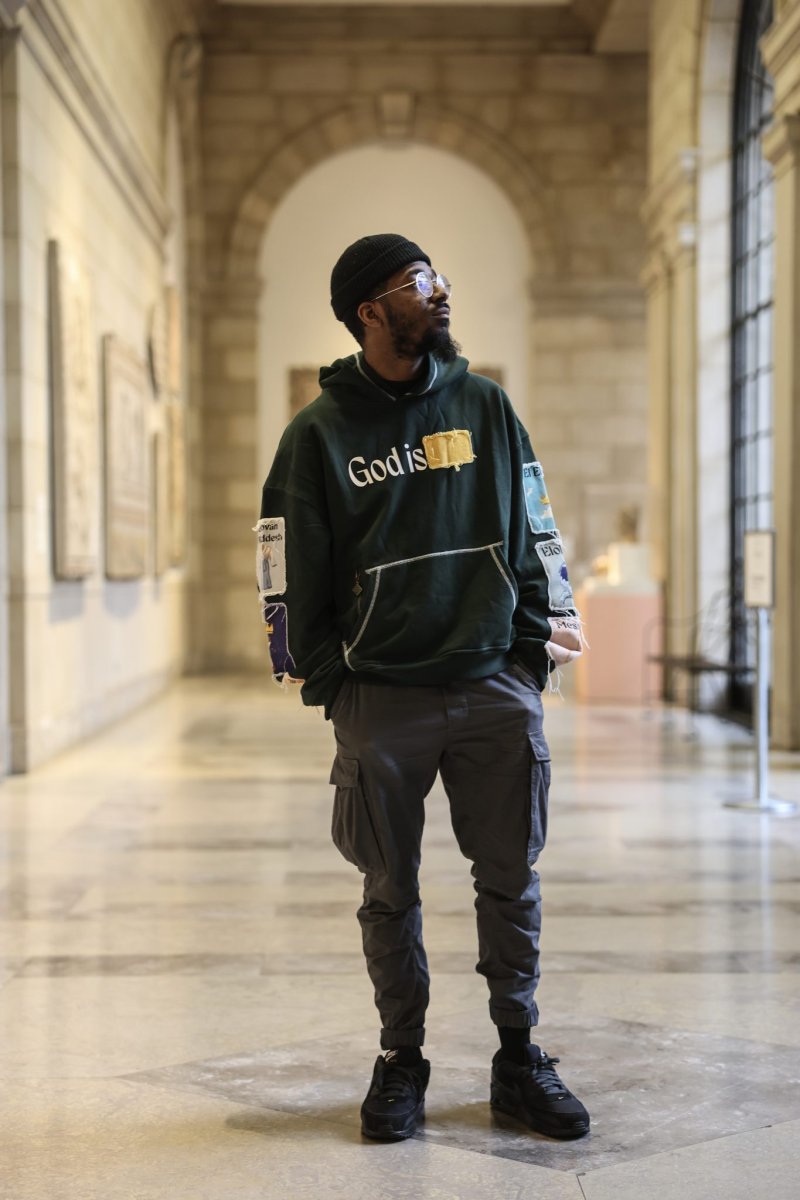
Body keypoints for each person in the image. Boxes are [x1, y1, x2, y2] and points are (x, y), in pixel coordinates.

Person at [256, 233, 588, 1142]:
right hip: (382, 700)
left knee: (510, 880)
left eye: (436, 276)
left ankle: (519, 1055)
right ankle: (401, 1058)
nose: (439, 292)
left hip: (491, 687)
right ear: (371, 310)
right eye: (416, 282)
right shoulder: (318, 434)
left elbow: (535, 524)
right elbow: (285, 567)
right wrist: (329, 682)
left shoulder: (485, 406)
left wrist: (529, 655)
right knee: (388, 888)